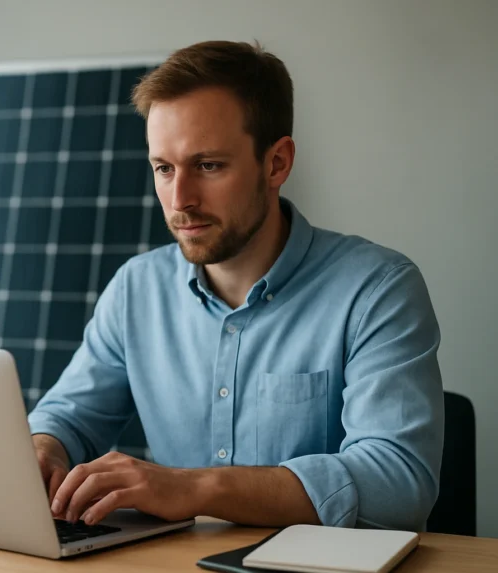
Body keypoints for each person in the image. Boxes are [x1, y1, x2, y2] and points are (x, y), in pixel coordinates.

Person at [27, 41, 444, 532]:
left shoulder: (378, 290)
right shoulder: (135, 290)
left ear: (277, 163)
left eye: (208, 166)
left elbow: (398, 485)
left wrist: (194, 488)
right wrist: (43, 449)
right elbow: (69, 416)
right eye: (163, 168)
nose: (180, 200)